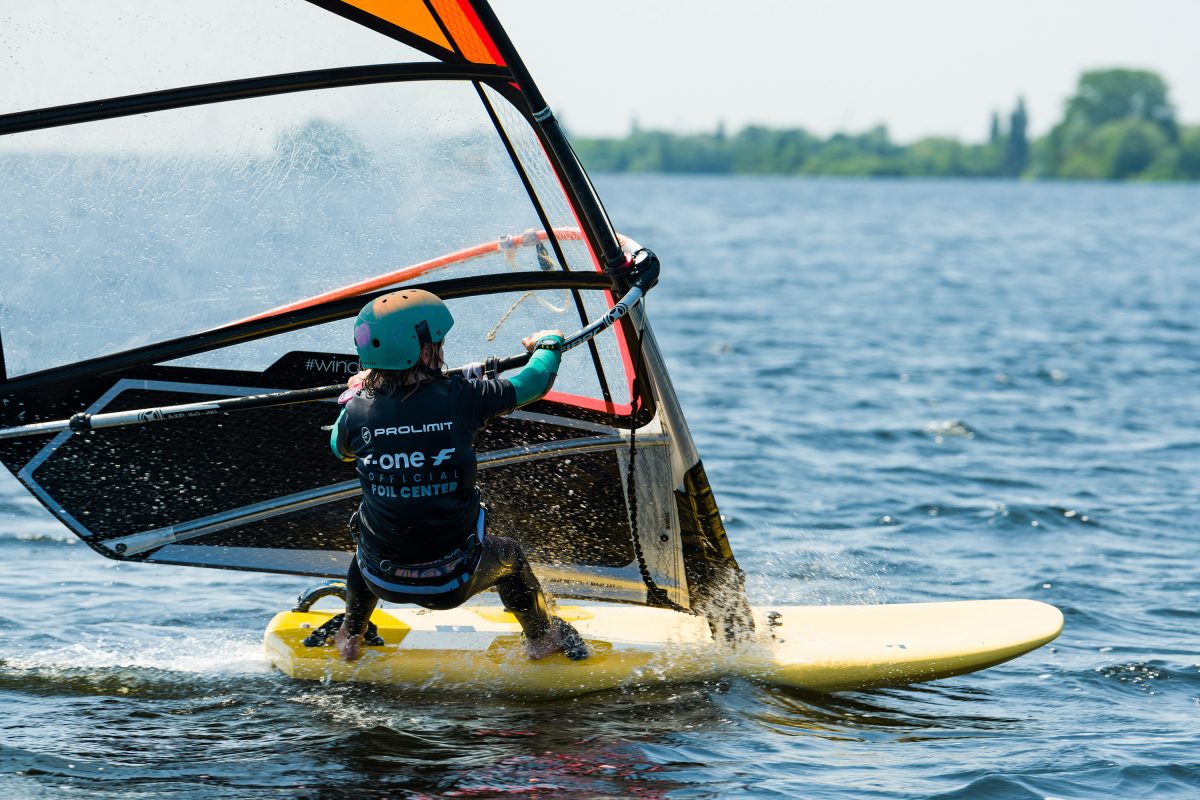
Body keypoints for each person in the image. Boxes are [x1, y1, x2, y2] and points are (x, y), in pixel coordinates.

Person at [328, 288, 588, 663]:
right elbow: (534, 383)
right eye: (439, 342)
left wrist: (356, 392)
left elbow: (340, 447)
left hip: (378, 579)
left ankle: (351, 634)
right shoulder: (462, 397)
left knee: (371, 534)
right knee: (510, 555)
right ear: (424, 351)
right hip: (451, 585)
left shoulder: (358, 411)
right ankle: (540, 638)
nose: (443, 348)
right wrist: (548, 344)